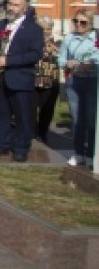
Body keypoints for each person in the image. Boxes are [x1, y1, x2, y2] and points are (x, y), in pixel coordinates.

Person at [0, 0, 44, 162]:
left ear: (25, 9)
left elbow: (34, 54)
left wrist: (8, 61)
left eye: (16, 5)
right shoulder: (0, 25)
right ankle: (1, 144)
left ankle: (21, 148)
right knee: (0, 112)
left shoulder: (33, 29)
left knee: (22, 115)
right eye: (9, 4)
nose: (11, 8)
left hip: (19, 77)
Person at [59, 9, 98, 167]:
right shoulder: (69, 38)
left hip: (93, 80)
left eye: (83, 22)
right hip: (74, 81)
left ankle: (91, 153)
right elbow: (61, 58)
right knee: (77, 119)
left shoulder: (96, 37)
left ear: (91, 23)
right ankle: (78, 153)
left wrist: (89, 63)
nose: (79, 25)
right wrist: (67, 63)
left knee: (90, 119)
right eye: (76, 21)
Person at [32, 15, 61, 144]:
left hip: (50, 80)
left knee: (47, 109)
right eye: (42, 28)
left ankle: (42, 133)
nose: (45, 31)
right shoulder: (32, 41)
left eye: (48, 29)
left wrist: (55, 51)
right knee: (31, 108)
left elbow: (62, 56)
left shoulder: (58, 42)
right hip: (34, 79)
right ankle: (31, 132)